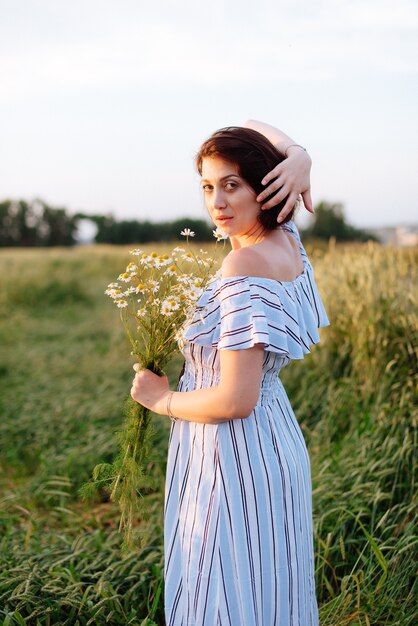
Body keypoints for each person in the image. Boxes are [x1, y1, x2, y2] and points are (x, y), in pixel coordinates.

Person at [130, 120, 330, 626]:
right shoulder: (286, 241)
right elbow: (255, 127)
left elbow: (235, 399)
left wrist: (160, 400)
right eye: (207, 186)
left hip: (231, 455)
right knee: (267, 591)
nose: (216, 202)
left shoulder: (244, 267)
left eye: (232, 184)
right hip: (275, 445)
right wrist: (300, 155)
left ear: (265, 184)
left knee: (219, 595)